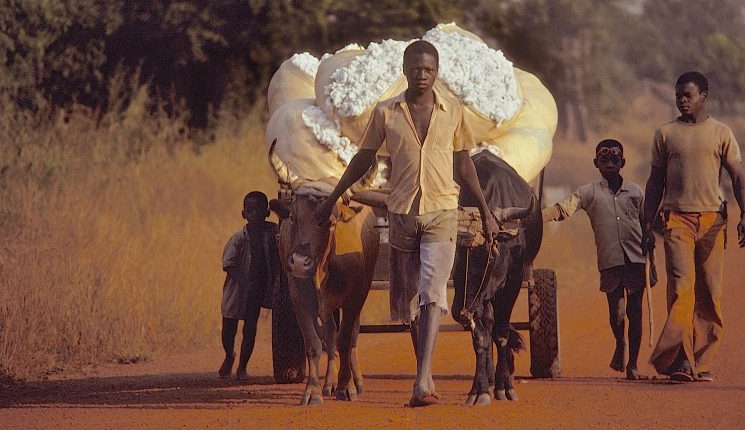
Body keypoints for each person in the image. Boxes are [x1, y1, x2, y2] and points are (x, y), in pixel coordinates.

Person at [315, 39, 498, 407]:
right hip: (401, 215)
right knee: (410, 302)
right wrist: (334, 197)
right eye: (415, 69)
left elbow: (464, 166)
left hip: (442, 213)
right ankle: (423, 372)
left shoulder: (454, 111)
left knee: (432, 292)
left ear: (437, 71)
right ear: (405, 69)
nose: (422, 75)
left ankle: (423, 379)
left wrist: (486, 212)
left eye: (429, 69)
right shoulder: (386, 112)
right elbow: (363, 159)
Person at [642, 71, 745, 383]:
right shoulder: (664, 133)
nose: (682, 101)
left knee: (708, 291)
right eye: (679, 96)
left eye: (688, 95)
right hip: (676, 219)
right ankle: (676, 360)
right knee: (680, 287)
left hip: (712, 221)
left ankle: (701, 363)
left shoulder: (721, 133)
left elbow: (738, 176)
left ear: (704, 96)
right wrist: (647, 223)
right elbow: (654, 182)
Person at [542, 139, 654, 380]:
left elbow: (648, 221)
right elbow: (563, 209)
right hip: (610, 261)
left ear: (622, 162)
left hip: (636, 260)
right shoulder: (588, 193)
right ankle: (619, 343)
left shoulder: (635, 191)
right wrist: (535, 220)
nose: (610, 164)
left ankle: (633, 365)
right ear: (596, 163)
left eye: (615, 160)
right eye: (604, 160)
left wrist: (650, 235)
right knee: (617, 314)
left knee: (635, 312)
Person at [219, 191, 279, 379]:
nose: (254, 214)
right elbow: (228, 265)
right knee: (229, 328)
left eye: (259, 210)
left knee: (250, 328)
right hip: (236, 291)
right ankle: (230, 355)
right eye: (250, 210)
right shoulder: (238, 238)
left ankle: (242, 367)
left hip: (257, 291)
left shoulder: (272, 233)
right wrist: (245, 283)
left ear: (267, 213)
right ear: (243, 214)